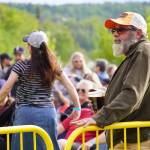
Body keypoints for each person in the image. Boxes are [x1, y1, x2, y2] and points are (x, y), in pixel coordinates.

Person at [72, 11, 150, 149]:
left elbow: (131, 95)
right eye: (113, 30)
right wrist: (107, 95)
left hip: (138, 140)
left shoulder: (143, 51)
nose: (115, 34)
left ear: (138, 33)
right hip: (127, 138)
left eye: (121, 30)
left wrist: (99, 117)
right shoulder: (134, 54)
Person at [0, 31, 81, 150]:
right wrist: (77, 107)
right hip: (48, 114)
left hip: (26, 114)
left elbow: (6, 89)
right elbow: (69, 85)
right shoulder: (53, 66)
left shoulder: (21, 65)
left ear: (30, 48)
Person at [57, 80, 102, 150]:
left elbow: (109, 133)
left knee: (61, 143)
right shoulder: (80, 111)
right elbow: (60, 128)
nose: (80, 92)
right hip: (67, 144)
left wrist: (92, 142)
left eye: (83, 90)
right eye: (78, 90)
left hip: (81, 146)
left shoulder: (103, 117)